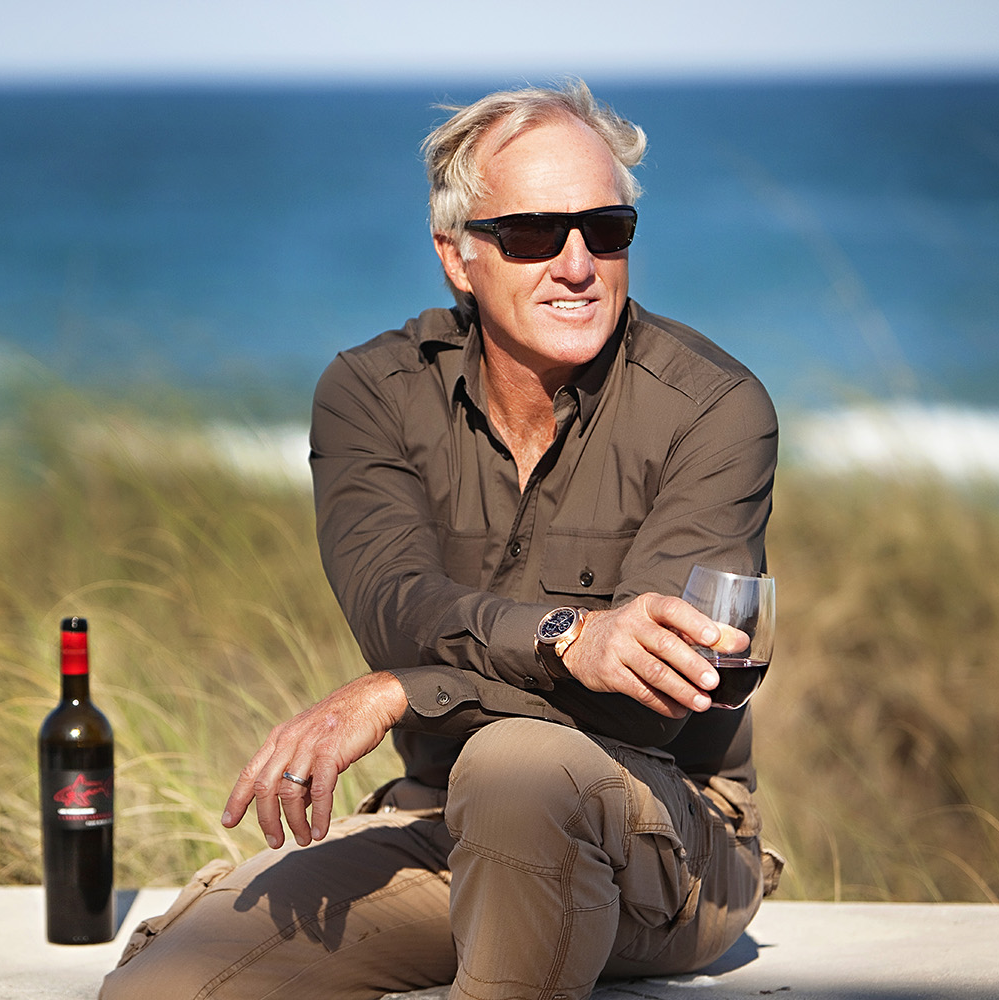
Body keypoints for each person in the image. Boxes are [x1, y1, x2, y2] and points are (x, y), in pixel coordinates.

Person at [100, 79, 779, 1000]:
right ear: (457, 256)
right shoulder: (372, 394)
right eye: (533, 234)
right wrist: (570, 639)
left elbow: (650, 701)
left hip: (670, 842)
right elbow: (396, 609)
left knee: (515, 765)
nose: (578, 265)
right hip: (445, 827)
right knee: (164, 987)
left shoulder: (715, 410)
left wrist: (406, 690)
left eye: (605, 229)